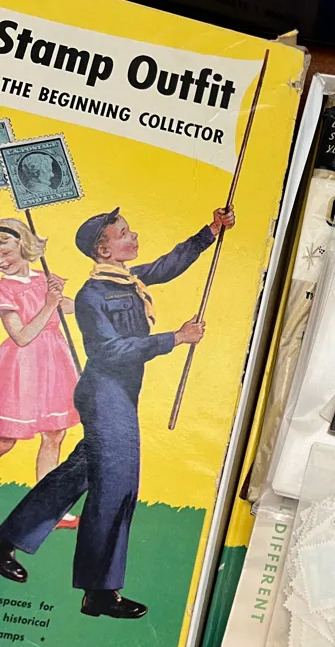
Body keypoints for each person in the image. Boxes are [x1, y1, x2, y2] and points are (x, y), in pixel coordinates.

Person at [0, 204, 235, 619]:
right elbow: (109, 351)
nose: (134, 236)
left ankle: (5, 540)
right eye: (124, 233)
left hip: (121, 394)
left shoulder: (129, 280)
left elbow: (167, 265)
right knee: (117, 487)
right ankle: (100, 593)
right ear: (104, 250)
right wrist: (175, 338)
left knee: (74, 477)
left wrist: (210, 231)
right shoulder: (92, 295)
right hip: (105, 396)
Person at [0, 219, 80, 528]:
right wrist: (49, 305)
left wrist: (84, 303)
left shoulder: (45, 278)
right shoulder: (3, 289)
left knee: (55, 434)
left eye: (4, 249)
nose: (0, 258)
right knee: (6, 439)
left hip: (54, 364)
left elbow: (68, 307)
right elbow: (21, 336)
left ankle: (48, 509)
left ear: (23, 244)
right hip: (21, 369)